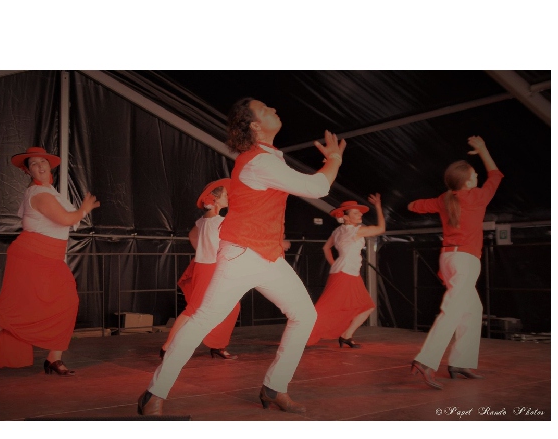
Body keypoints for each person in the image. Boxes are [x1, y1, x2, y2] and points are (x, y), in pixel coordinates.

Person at [137, 99, 346, 417]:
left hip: (268, 255)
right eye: (266, 109)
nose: (274, 109)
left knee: (304, 315)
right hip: (242, 255)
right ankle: (154, 394)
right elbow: (316, 187)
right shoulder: (258, 161)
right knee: (203, 320)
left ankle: (274, 387)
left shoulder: (269, 157)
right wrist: (334, 159)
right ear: (255, 125)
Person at [0, 148, 99, 383]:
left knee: (68, 302)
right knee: (9, 312)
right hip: (31, 256)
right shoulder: (39, 194)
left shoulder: (51, 191)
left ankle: (54, 358)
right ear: (27, 170)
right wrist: (84, 209)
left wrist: (79, 212)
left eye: (43, 162)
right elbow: (65, 219)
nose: (39, 166)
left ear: (49, 165)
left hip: (51, 257)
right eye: (33, 164)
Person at [405, 136, 503, 388]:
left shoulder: (445, 199)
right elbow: (495, 175)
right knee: (453, 310)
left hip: (448, 259)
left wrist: (418, 203)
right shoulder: (476, 197)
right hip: (465, 260)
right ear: (468, 181)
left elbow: (414, 206)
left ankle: (460, 362)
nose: (477, 176)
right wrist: (483, 149)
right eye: (473, 174)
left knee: (472, 310)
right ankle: (426, 360)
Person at [160, 180, 241, 361]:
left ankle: (218, 345)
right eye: (225, 195)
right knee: (194, 309)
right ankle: (167, 347)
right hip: (209, 269)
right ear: (216, 199)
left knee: (232, 306)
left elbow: (192, 235)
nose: (228, 198)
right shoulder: (221, 222)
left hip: (205, 266)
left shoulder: (203, 220)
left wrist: (202, 251)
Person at [306, 195, 386, 348]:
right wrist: (378, 206)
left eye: (359, 212)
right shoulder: (356, 231)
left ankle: (346, 335)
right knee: (327, 306)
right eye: (356, 213)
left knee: (367, 306)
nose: (360, 214)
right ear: (346, 217)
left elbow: (326, 248)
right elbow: (381, 229)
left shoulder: (338, 231)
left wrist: (334, 264)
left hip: (345, 272)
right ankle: (303, 333)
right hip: (346, 273)